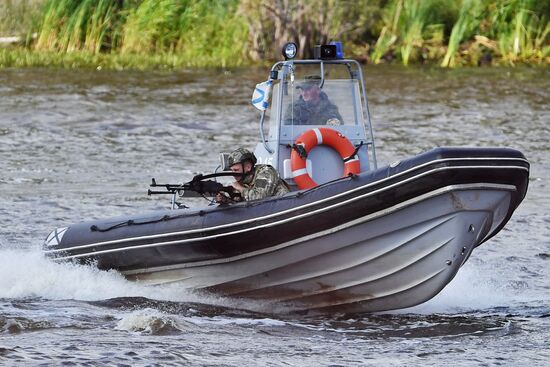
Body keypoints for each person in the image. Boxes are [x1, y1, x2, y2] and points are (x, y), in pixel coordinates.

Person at [216, 148, 290, 203]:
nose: (233, 174)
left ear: (248, 167)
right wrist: (225, 199)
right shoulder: (243, 181)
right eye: (231, 170)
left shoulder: (266, 172)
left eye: (236, 170)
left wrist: (240, 188)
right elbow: (239, 200)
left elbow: (259, 197)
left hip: (284, 205)